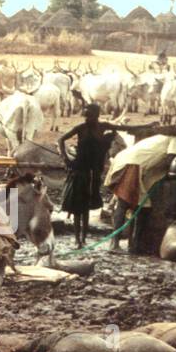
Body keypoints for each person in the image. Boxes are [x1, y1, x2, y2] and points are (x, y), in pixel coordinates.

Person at [57, 102, 118, 248]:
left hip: (94, 173)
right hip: (79, 171)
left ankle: (83, 238)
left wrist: (146, 126)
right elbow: (60, 139)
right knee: (78, 208)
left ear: (96, 116)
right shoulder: (81, 128)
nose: (86, 119)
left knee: (86, 207)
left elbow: (126, 128)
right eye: (85, 116)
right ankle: (78, 239)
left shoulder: (104, 127)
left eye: (89, 116)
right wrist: (65, 158)